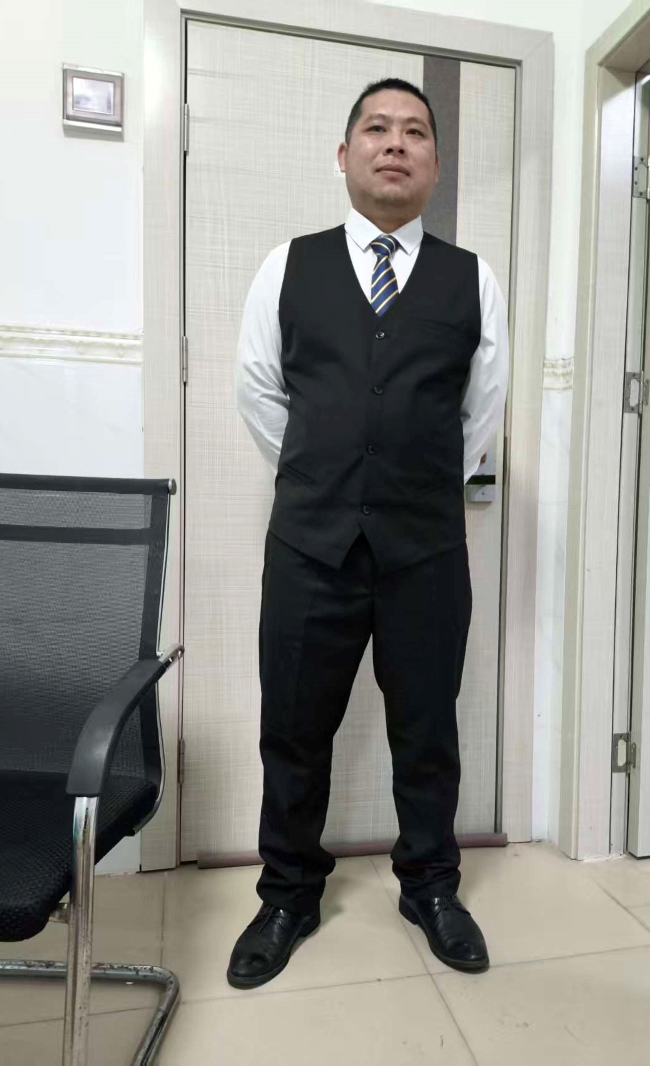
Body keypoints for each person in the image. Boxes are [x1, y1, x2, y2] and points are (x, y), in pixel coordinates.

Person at [229, 77, 509, 990]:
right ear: (344, 154)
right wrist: (329, 474)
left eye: (415, 131)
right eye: (377, 128)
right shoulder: (287, 266)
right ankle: (287, 895)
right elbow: (260, 391)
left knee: (427, 729)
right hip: (308, 547)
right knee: (294, 728)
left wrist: (407, 483)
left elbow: (479, 415)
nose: (395, 143)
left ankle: (430, 886)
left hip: (426, 551)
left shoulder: (473, 279)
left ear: (435, 162)